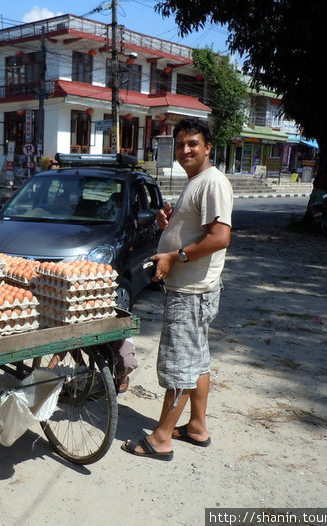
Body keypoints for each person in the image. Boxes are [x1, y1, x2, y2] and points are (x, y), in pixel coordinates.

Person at [121, 117, 233, 461]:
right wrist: (171, 226)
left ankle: (161, 438)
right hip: (194, 289)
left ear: (208, 147)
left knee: (180, 367)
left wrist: (174, 256)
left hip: (191, 292)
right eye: (181, 144)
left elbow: (220, 236)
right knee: (197, 362)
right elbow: (200, 229)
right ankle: (197, 427)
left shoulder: (212, 182)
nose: (185, 150)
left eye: (193, 144)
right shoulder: (197, 181)